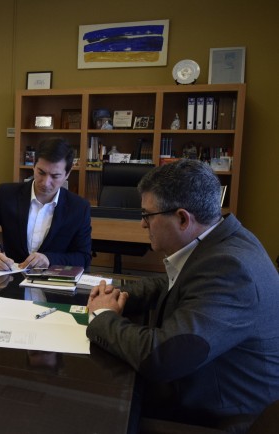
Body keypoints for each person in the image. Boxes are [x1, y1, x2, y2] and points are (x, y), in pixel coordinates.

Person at [86, 159, 279, 432]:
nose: (142, 224)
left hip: (214, 418)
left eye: (147, 215)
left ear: (182, 218)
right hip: (200, 388)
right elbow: (173, 282)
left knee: (93, 409)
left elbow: (161, 358)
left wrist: (103, 315)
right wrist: (119, 293)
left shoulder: (230, 269)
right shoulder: (223, 240)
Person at [0, 138, 91, 271]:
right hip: (11, 278)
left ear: (67, 174)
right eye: (41, 172)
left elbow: (84, 257)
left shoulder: (79, 208)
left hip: (52, 281)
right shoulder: (7, 194)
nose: (45, 182)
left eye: (55, 176)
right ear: (33, 166)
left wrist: (49, 259)